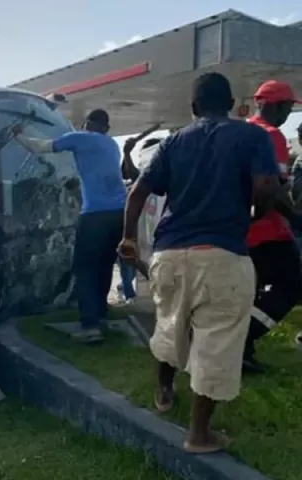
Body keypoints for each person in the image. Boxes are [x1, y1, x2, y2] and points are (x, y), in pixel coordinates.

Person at [118, 72, 289, 453]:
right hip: (222, 254)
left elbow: (137, 191)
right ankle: (199, 434)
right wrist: (252, 217)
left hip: (169, 253)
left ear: (194, 108)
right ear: (232, 104)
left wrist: (128, 238)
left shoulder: (174, 142)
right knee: (217, 341)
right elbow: (266, 188)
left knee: (169, 327)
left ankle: (164, 392)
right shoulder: (252, 136)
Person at [15, 109, 126, 343]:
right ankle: (100, 314)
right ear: (107, 127)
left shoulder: (80, 138)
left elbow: (40, 147)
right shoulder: (112, 145)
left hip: (95, 213)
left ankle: (90, 326)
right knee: (104, 265)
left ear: (86, 124)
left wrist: (19, 136)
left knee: (85, 268)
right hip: (119, 214)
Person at [242, 80, 302, 373]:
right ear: (270, 104)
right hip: (268, 231)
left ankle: (243, 350)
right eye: (286, 107)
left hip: (241, 231)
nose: (288, 114)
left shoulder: (242, 132)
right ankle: (243, 340)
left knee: (248, 293)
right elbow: (272, 191)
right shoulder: (271, 136)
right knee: (291, 284)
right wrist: (296, 218)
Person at [117, 137, 163, 303]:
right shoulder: (148, 179)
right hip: (146, 233)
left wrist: (127, 153)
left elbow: (133, 176)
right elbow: (131, 174)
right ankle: (130, 292)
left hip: (156, 235)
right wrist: (127, 154)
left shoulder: (161, 177)